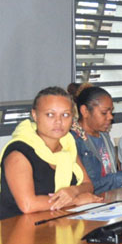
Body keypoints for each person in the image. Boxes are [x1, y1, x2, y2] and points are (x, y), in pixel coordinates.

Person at [1, 87, 99, 220]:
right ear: (35, 115)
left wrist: (73, 191)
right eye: (50, 115)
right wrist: (75, 200)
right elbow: (28, 205)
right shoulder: (18, 153)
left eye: (65, 115)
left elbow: (88, 185)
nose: (59, 121)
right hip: (17, 226)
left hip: (57, 220)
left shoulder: (67, 146)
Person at [69, 85, 122, 194]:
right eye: (104, 113)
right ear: (85, 111)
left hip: (110, 198)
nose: (110, 117)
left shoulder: (103, 135)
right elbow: (87, 186)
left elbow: (110, 174)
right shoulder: (73, 141)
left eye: (111, 112)